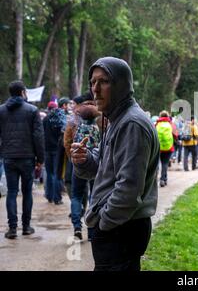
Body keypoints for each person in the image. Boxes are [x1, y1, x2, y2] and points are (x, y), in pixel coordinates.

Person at [70, 57, 159, 271]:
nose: (96, 89)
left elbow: (128, 188)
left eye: (104, 81)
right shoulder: (116, 119)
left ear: (121, 84)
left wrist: (104, 222)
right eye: (92, 82)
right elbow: (102, 166)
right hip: (118, 227)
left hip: (121, 229)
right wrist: (83, 159)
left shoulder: (131, 123)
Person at [0, 81, 45, 239]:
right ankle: (26, 227)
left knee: (11, 192)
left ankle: (12, 229)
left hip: (9, 157)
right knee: (27, 192)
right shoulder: (32, 110)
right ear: (23, 92)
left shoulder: (1, 110)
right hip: (27, 157)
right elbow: (38, 136)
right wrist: (40, 158)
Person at [64, 92, 101, 240]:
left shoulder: (74, 121)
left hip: (77, 162)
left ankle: (77, 226)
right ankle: (92, 231)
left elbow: (67, 142)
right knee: (95, 195)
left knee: (76, 195)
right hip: (96, 164)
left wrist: (73, 157)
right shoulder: (101, 121)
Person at [43, 101, 66, 204]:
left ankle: (49, 196)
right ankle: (57, 198)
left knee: (49, 173)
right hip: (57, 149)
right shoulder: (60, 119)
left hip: (47, 149)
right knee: (57, 174)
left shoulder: (45, 119)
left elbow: (41, 134)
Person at [155, 110, 177, 187]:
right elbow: (175, 135)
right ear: (167, 116)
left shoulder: (157, 124)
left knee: (157, 163)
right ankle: (163, 179)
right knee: (165, 163)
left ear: (160, 116)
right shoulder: (171, 124)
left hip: (158, 148)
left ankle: (155, 179)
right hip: (168, 147)